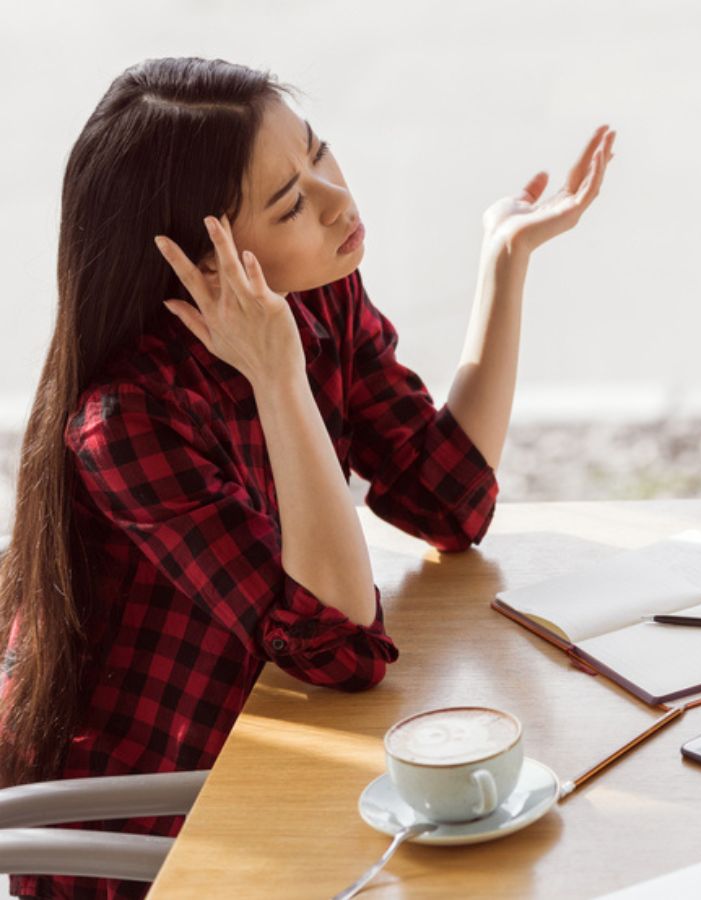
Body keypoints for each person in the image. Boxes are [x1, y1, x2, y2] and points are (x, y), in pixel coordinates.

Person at [0, 57, 613, 898]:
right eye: (290, 204)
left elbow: (449, 500)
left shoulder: (316, 292)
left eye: (319, 152)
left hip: (264, 758)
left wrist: (505, 257)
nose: (336, 200)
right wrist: (278, 376)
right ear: (202, 263)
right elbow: (345, 648)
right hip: (150, 828)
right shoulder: (127, 421)